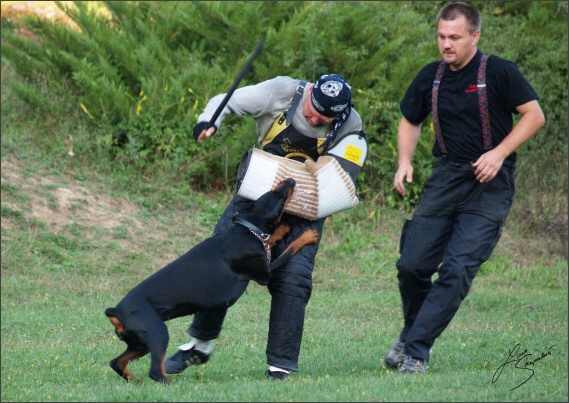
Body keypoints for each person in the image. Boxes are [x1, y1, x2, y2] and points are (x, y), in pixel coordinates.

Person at [164, 74, 365, 380]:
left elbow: (341, 181)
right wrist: (209, 120)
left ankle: (279, 366)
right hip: (256, 196)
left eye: (322, 118)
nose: (313, 118)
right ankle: (199, 345)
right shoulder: (282, 92)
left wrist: (307, 185)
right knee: (220, 266)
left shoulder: (351, 125)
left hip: (307, 208)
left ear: (339, 115)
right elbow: (227, 101)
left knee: (294, 278)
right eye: (311, 110)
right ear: (310, 90)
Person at [385, 2, 545, 374]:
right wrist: (404, 162)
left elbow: (534, 115)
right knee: (411, 265)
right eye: (441, 36)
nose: (446, 44)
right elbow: (409, 120)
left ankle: (416, 352)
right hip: (445, 179)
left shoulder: (501, 72)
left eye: (454, 37)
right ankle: (412, 332)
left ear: (475, 36)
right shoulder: (430, 76)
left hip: (490, 182)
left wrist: (500, 153)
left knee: (456, 270)